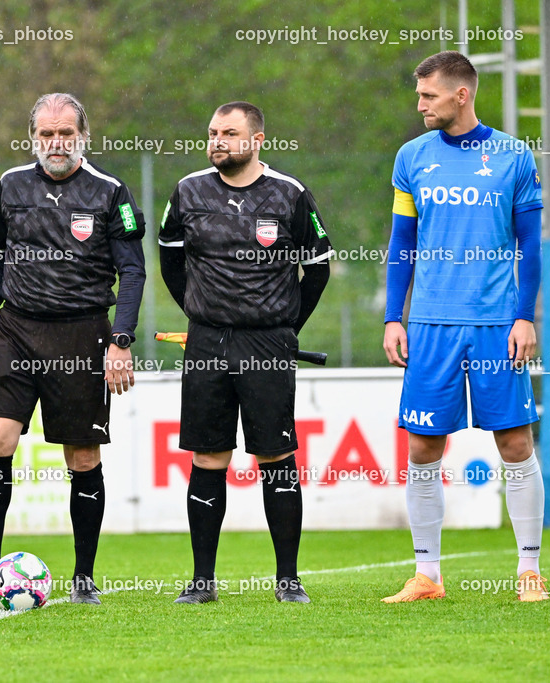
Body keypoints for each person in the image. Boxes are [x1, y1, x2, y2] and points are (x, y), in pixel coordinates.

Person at [0, 93, 145, 605]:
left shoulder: (110, 192)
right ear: (33, 138)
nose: (56, 143)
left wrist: (120, 340)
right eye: (46, 134)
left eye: (66, 134)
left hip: (83, 335)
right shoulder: (11, 184)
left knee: (82, 457)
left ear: (83, 136)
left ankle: (83, 575)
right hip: (15, 328)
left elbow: (133, 271)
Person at [382, 51, 546, 602]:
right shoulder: (412, 157)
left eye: (429, 96)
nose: (421, 104)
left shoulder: (514, 157)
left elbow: (530, 245)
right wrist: (392, 317)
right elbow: (402, 244)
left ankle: (529, 570)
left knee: (516, 442)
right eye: (419, 95)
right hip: (429, 325)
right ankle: (427, 575)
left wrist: (525, 316)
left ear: (462, 95)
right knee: (423, 447)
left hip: (497, 323)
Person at [159, 101, 332, 604]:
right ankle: (201, 582)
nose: (217, 140)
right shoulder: (188, 191)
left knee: (275, 454)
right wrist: (200, 310)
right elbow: (171, 264)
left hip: (268, 343)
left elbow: (317, 269)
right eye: (212, 132)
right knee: (208, 455)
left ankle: (288, 581)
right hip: (207, 341)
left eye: (229, 133)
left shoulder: (290, 194)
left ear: (256, 139)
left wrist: (284, 328)